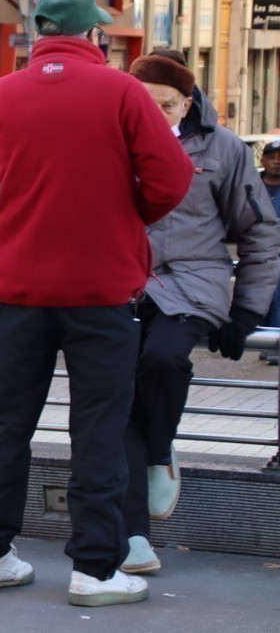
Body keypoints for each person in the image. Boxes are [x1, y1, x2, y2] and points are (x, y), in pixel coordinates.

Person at [0, 0, 193, 606]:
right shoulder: (121, 92)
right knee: (99, 429)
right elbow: (172, 177)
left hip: (18, 289)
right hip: (99, 291)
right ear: (96, 37)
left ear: (39, 35)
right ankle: (94, 567)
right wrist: (124, 212)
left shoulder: (0, 93)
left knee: (6, 424)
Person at [120, 53, 280, 574]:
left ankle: (160, 449)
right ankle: (134, 539)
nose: (154, 113)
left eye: (165, 105)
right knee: (116, 398)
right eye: (143, 103)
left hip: (192, 281)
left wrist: (247, 310)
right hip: (119, 281)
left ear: (187, 103)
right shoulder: (111, 139)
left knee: (164, 360)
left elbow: (259, 230)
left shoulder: (223, 149)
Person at [259, 138, 280, 366]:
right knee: (261, 300)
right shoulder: (252, 185)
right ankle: (264, 342)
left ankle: (275, 345)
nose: (276, 162)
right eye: (272, 157)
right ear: (263, 160)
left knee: (276, 298)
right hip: (256, 251)